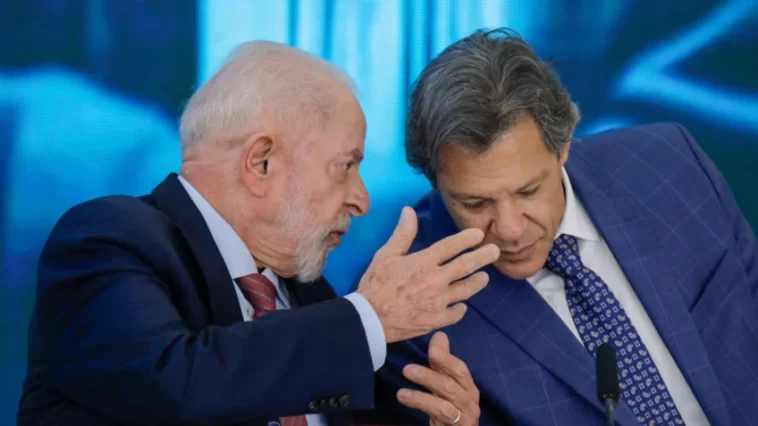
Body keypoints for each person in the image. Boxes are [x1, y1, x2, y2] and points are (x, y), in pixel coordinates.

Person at [16, 41, 499, 426]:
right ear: (261, 162)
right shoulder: (107, 240)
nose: (362, 199)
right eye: (346, 166)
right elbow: (179, 384)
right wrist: (371, 317)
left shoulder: (308, 296)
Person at [371, 28, 758, 425]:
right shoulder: (409, 313)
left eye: (528, 191)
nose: (509, 229)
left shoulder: (669, 163)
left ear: (563, 148)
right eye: (475, 203)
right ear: (434, 180)